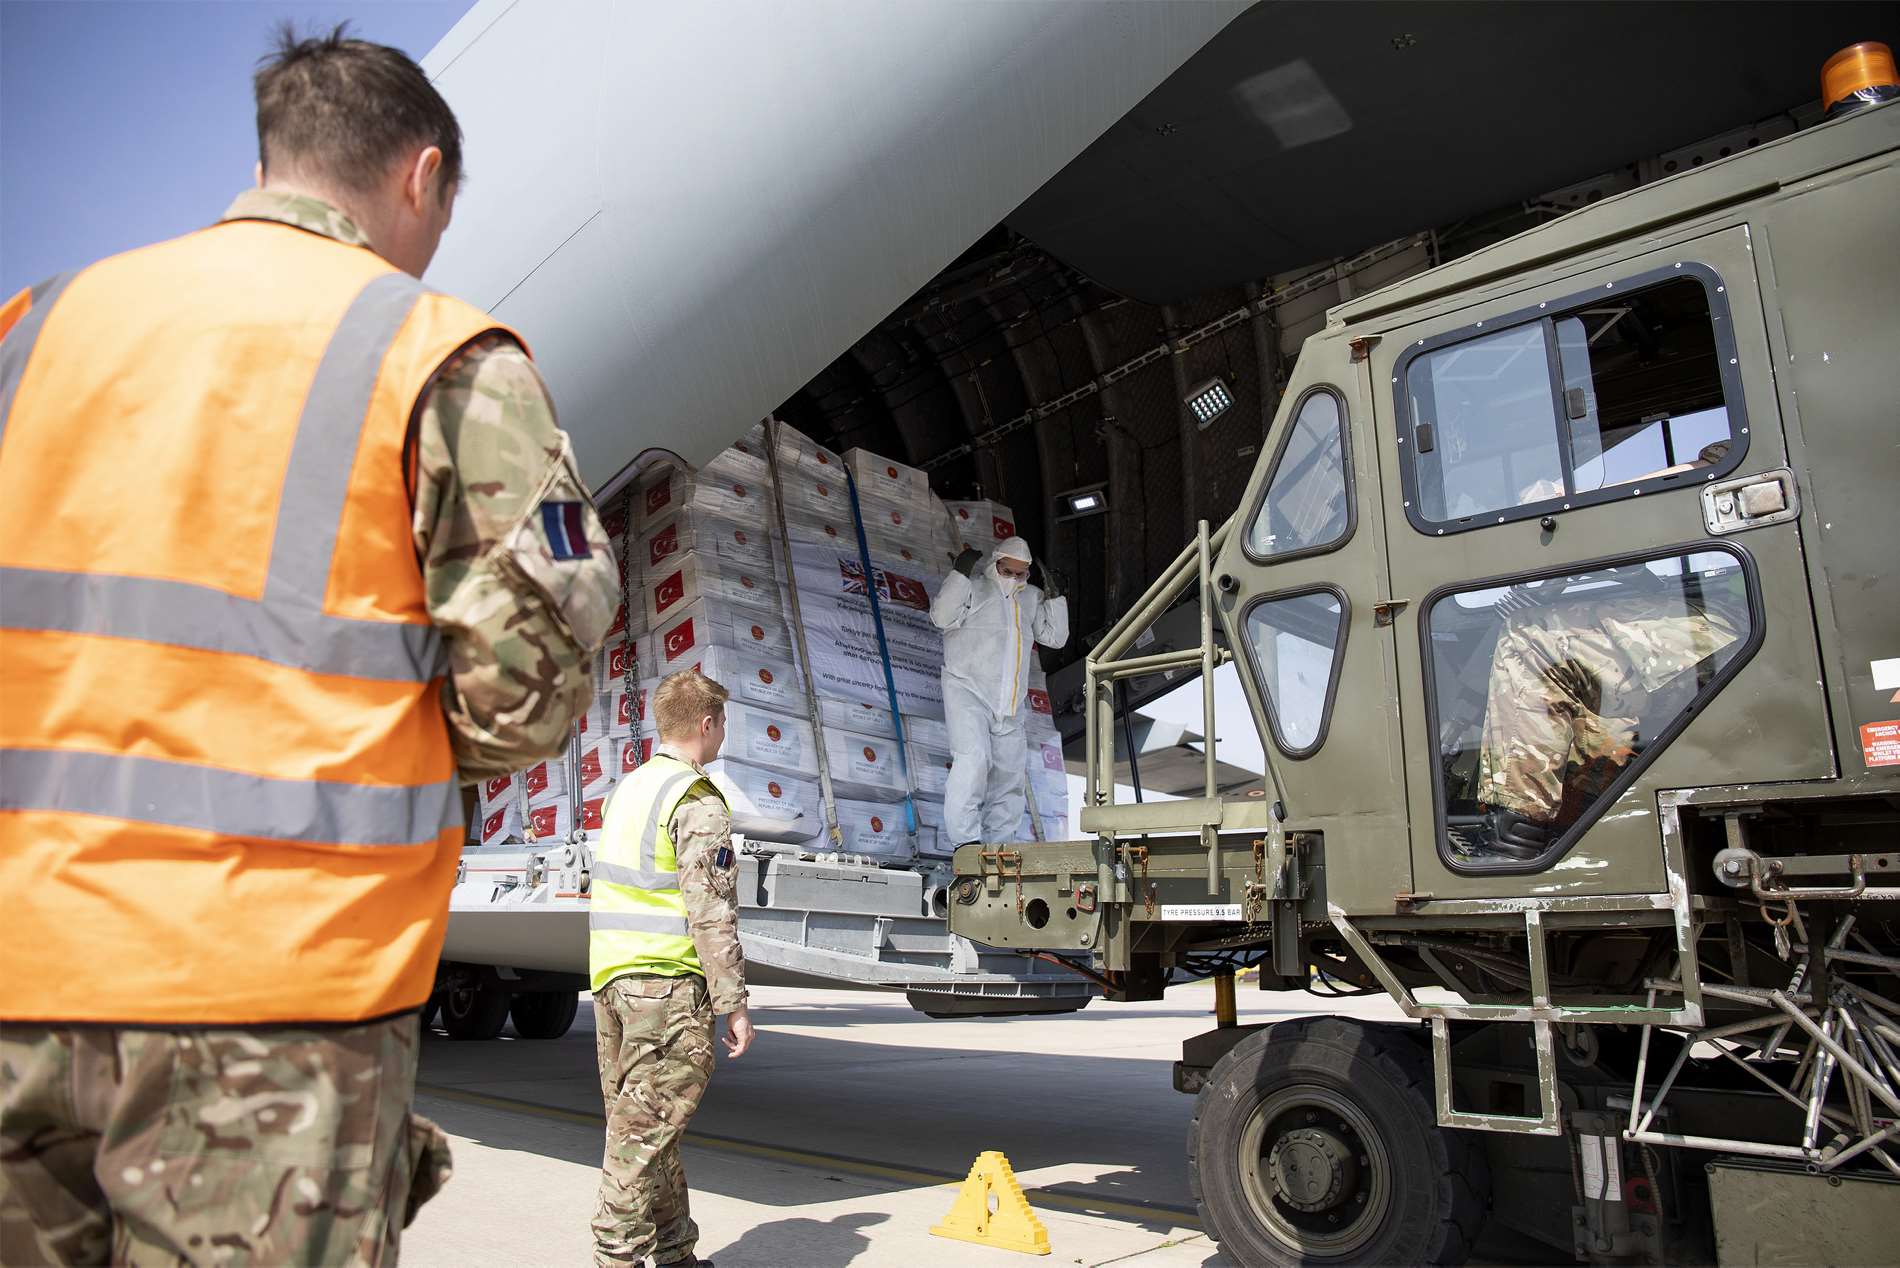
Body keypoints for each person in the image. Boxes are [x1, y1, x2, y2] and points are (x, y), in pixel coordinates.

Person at [0, 25, 618, 1265]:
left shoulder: (37, 327)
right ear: (419, 175)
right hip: (270, 990)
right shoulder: (435, 350)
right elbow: (533, 681)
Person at [590, 668, 755, 1268]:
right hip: (665, 990)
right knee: (637, 1142)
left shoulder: (629, 788)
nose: (723, 736)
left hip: (612, 985)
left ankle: (677, 1254)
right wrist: (733, 1002)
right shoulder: (695, 799)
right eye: (723, 725)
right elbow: (711, 912)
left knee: (650, 1130)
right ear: (707, 725)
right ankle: (617, 1258)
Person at [1475, 584, 1741, 861]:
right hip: (1710, 613)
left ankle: (1510, 843)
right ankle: (1593, 840)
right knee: (1580, 717)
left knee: (1530, 637)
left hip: (1716, 619)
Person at [929, 535, 1070, 847]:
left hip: (1009, 703)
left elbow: (1055, 637)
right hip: (967, 690)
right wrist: (959, 575)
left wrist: (1056, 598)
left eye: (1021, 574)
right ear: (995, 564)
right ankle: (965, 842)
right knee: (973, 759)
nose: (1014, 579)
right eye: (1008, 571)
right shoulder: (974, 588)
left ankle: (998, 848)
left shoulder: (1031, 598)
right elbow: (941, 617)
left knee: (1009, 778)